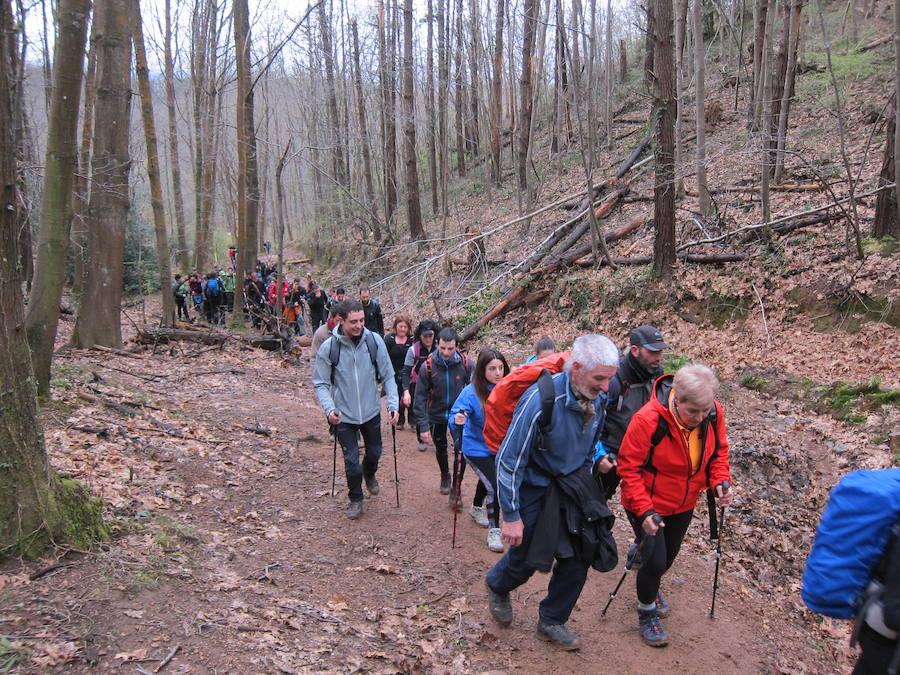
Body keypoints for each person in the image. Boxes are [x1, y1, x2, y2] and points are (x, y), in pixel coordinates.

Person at [485, 334, 619, 650]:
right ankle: (497, 584)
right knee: (529, 557)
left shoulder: (598, 399)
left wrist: (593, 467)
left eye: (609, 379)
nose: (605, 386)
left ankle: (552, 620)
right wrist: (512, 516)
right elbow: (508, 461)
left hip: (572, 486)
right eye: (599, 378)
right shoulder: (541, 400)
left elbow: (591, 441)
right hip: (536, 487)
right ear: (576, 370)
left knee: (580, 555)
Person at [618, 363, 733, 647]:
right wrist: (644, 510)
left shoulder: (712, 412)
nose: (700, 417)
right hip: (646, 502)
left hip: (684, 501)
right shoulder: (648, 420)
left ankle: (645, 565)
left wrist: (720, 480)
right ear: (677, 398)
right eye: (693, 411)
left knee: (668, 558)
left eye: (704, 411)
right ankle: (646, 613)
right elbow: (628, 468)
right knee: (655, 561)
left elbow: (719, 451)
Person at [312, 301, 399, 520]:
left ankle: (369, 475)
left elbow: (388, 374)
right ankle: (356, 498)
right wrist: (330, 408)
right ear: (341, 320)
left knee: (375, 453)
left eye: (362, 320)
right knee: (351, 462)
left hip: (370, 411)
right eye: (354, 321)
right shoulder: (329, 347)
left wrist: (393, 404)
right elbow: (321, 383)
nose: (360, 325)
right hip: (344, 415)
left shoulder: (374, 341)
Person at [596, 325, 667, 499]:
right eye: (652, 352)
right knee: (597, 497)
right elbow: (590, 418)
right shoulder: (615, 379)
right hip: (611, 452)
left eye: (660, 351)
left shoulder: (657, 373)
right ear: (635, 350)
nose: (658, 357)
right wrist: (599, 454)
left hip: (641, 452)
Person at [450, 348, 510, 552]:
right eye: (492, 368)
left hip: (498, 446)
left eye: (501, 367)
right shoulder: (471, 392)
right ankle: (495, 531)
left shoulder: (507, 388)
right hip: (475, 447)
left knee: (487, 479)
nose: (497, 373)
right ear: (482, 371)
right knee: (495, 485)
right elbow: (455, 414)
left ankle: (476, 508)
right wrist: (458, 420)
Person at [414, 327, 472, 496]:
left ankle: (457, 487)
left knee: (460, 452)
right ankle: (445, 474)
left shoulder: (466, 365)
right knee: (441, 448)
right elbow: (420, 398)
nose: (446, 352)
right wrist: (423, 426)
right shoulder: (427, 367)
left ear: (457, 346)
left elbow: (475, 391)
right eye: (442, 348)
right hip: (436, 414)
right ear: (437, 344)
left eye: (450, 348)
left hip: (459, 416)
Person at [401, 320, 439, 450]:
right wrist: (406, 390)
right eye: (425, 336)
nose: (428, 339)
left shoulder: (440, 348)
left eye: (430, 335)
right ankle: (421, 438)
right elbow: (406, 371)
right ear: (420, 336)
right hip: (417, 384)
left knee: (434, 411)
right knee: (420, 410)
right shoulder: (413, 350)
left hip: (435, 384)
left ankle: (435, 436)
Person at [384, 316, 414, 429]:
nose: (402, 329)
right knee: (397, 396)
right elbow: (384, 356)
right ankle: (400, 420)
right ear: (396, 326)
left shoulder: (412, 340)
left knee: (411, 396)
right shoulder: (389, 339)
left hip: (409, 372)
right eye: (400, 326)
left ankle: (413, 420)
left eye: (405, 327)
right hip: (393, 373)